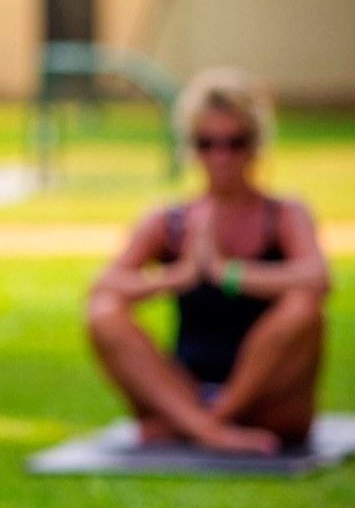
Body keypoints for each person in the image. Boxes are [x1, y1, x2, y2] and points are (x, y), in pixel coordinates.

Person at [86, 68, 331, 454]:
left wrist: (226, 273)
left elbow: (319, 278)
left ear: (255, 145)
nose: (221, 157)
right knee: (104, 312)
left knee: (302, 308)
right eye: (207, 144)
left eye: (235, 143)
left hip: (272, 404)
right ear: (191, 147)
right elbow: (103, 285)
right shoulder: (170, 220)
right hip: (188, 392)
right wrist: (179, 275)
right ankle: (208, 428)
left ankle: (206, 424)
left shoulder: (284, 214)